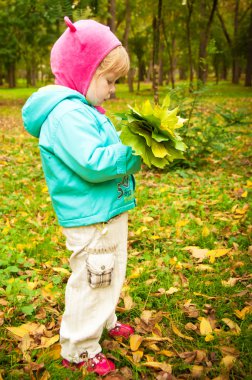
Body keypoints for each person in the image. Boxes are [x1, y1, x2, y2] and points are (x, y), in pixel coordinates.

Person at [22, 17, 141, 376]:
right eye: (108, 80)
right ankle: (79, 347)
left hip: (105, 211)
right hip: (90, 218)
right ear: (82, 71)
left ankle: (103, 321)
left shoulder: (85, 110)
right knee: (94, 279)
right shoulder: (67, 114)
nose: (112, 90)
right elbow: (93, 163)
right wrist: (136, 152)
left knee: (110, 273)